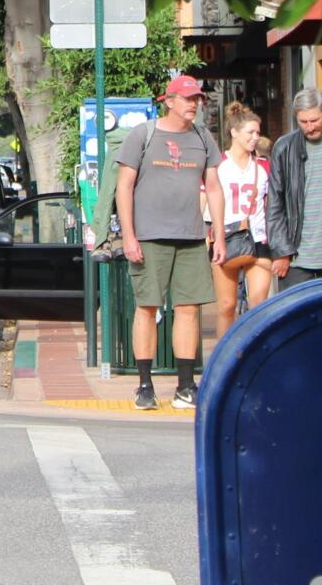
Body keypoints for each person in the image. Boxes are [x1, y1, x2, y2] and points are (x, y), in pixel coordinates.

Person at [114, 73, 226, 411]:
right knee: (147, 307)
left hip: (191, 236)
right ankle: (145, 385)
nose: (194, 104)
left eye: (197, 99)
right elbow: (124, 187)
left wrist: (219, 233)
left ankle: (185, 385)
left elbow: (215, 187)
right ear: (170, 101)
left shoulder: (203, 137)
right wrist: (129, 235)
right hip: (149, 236)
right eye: (188, 99)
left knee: (189, 309)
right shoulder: (143, 135)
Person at [208, 102, 272, 339]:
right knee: (226, 305)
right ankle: (223, 360)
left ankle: (255, 355)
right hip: (227, 238)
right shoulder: (218, 165)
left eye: (258, 133)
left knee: (258, 303)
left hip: (259, 237)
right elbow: (205, 201)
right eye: (250, 133)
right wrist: (210, 236)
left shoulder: (263, 165)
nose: (255, 138)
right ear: (234, 132)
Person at [266, 87, 322, 292]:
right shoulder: (284, 147)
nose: (309, 127)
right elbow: (275, 203)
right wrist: (281, 251)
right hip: (297, 257)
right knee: (297, 321)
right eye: (303, 122)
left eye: (314, 120)